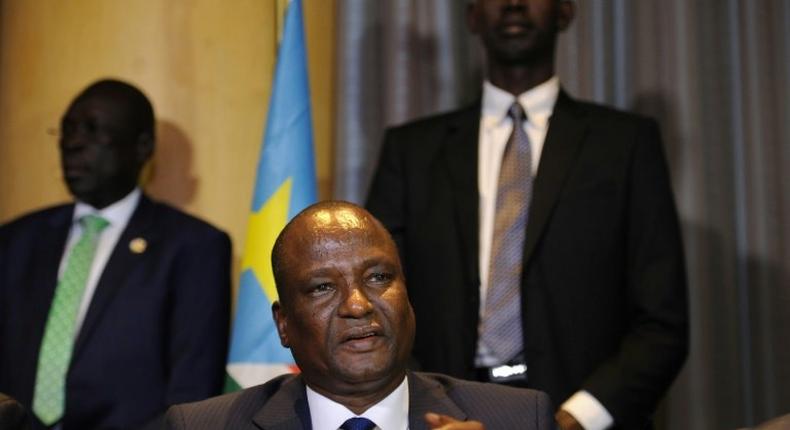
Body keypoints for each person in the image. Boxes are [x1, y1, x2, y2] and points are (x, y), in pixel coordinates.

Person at [365, 1, 688, 429]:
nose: (514, 3)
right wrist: (432, 407)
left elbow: (662, 322)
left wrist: (575, 419)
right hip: (441, 414)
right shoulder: (411, 152)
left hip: (579, 414)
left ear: (565, 12)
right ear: (473, 15)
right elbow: (375, 298)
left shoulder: (625, 145)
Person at [164, 201, 554, 430]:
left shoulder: (518, 418)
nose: (357, 305)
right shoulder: (204, 426)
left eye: (378, 277)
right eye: (323, 288)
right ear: (284, 324)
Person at [0, 79, 232, 430]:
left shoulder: (193, 247)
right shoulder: (15, 241)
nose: (73, 144)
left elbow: (192, 394)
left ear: (142, 147)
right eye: (68, 130)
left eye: (94, 131)